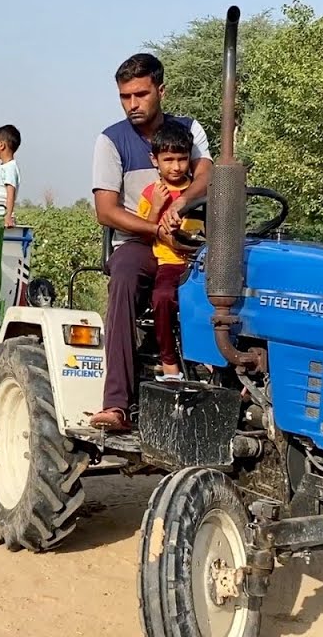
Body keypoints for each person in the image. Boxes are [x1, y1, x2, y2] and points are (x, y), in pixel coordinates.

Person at [90, 53, 214, 430]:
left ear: (161, 90)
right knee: (125, 276)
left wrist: (182, 206)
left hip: (189, 235)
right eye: (125, 97)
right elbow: (106, 211)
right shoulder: (111, 141)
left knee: (237, 270)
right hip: (138, 240)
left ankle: (233, 383)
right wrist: (154, 228)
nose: (132, 105)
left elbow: (208, 174)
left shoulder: (188, 130)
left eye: (140, 95)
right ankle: (116, 403)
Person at [136, 121, 204, 383]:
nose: (176, 167)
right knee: (163, 298)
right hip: (169, 263)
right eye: (168, 159)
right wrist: (157, 207)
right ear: (155, 160)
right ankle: (168, 360)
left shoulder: (198, 192)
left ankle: (212, 360)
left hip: (200, 264)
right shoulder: (151, 193)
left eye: (182, 159)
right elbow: (144, 232)